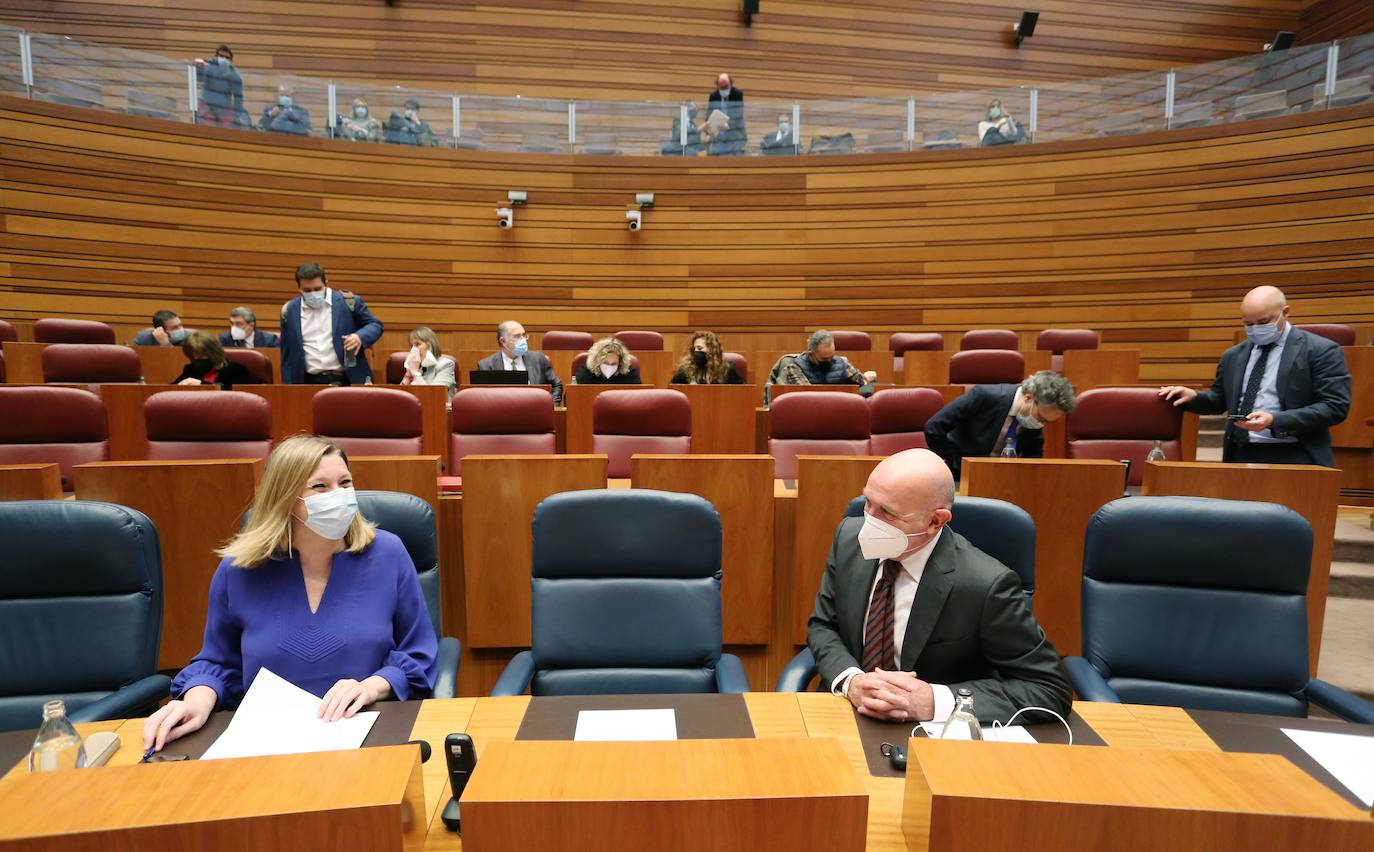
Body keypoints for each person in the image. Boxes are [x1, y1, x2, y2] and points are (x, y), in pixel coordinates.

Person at [141, 436, 438, 753]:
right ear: (285, 499)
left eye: (345, 482)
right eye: (320, 487)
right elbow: (218, 661)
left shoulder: (388, 553)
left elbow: (418, 651)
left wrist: (371, 688)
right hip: (268, 743)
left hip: (369, 731)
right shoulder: (240, 570)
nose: (339, 496)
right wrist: (196, 701)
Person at [807, 448, 1071, 724]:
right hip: (845, 711)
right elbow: (824, 626)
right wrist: (852, 681)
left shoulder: (986, 585)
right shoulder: (848, 538)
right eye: (867, 502)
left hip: (930, 731)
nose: (869, 521)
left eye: (886, 512)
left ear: (935, 521)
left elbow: (1049, 689)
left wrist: (935, 701)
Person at [1158, 285, 1351, 466]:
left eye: (1263, 322)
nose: (1256, 328)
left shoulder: (1321, 350)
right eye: (1248, 323)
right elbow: (1220, 401)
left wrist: (1275, 420)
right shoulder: (1233, 355)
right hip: (1242, 453)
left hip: (1296, 454)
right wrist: (1194, 397)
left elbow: (1334, 406)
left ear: (1285, 312)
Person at [923, 371, 1076, 479]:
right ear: (1028, 398)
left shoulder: (1033, 419)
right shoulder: (984, 395)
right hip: (958, 476)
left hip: (1000, 480)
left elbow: (1033, 457)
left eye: (1047, 422)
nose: (1040, 424)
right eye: (1041, 418)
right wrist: (956, 462)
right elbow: (934, 427)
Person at [278, 262, 383, 386]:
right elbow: (286, 355)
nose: (313, 294)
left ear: (326, 284)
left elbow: (375, 325)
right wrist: (288, 386)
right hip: (308, 382)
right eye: (307, 290)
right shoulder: (289, 311)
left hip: (347, 379)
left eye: (317, 289)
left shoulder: (349, 302)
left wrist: (359, 337)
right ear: (298, 288)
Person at [764, 330, 878, 402]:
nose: (829, 361)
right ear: (811, 354)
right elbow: (809, 397)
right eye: (824, 359)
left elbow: (863, 382)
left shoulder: (841, 362)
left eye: (831, 357)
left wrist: (868, 379)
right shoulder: (795, 367)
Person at [475, 320, 565, 405]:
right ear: (503, 341)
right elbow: (482, 397)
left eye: (524, 335)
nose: (523, 340)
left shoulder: (539, 359)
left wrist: (551, 407)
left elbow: (556, 386)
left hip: (534, 414)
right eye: (517, 336)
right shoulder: (486, 365)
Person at [171, 331, 254, 389]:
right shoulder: (191, 371)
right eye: (193, 355)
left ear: (213, 352)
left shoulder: (235, 370)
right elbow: (168, 390)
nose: (196, 359)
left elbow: (235, 394)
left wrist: (203, 385)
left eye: (201, 354)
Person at [193, 44, 246, 129]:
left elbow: (238, 97)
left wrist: (237, 115)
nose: (224, 59)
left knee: (225, 134)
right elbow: (198, 77)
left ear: (231, 60)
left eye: (227, 57)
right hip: (208, 107)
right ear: (216, 56)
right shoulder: (208, 66)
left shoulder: (234, 75)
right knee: (208, 132)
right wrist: (198, 67)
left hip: (225, 110)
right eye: (221, 56)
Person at [399, 326, 456, 401]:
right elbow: (400, 397)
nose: (413, 349)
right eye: (411, 346)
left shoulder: (446, 365)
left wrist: (415, 372)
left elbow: (433, 396)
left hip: (437, 410)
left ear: (430, 345)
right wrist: (408, 374)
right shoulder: (416, 365)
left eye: (417, 344)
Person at [670, 330, 743, 385]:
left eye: (699, 348)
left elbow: (742, 392)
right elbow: (674, 391)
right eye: (694, 349)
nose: (696, 352)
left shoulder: (727, 369)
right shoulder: (686, 369)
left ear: (711, 350)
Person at [705, 72, 747, 156]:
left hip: (734, 131)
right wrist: (708, 132)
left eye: (726, 86)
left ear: (730, 84)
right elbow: (709, 114)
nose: (724, 89)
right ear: (717, 85)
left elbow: (738, 114)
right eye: (722, 87)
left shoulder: (737, 94)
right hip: (718, 132)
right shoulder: (713, 96)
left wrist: (726, 126)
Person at [573, 337, 642, 384]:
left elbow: (639, 399)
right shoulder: (584, 372)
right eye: (605, 363)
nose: (609, 367)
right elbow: (570, 398)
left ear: (620, 363)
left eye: (614, 364)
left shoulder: (630, 373)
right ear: (597, 361)